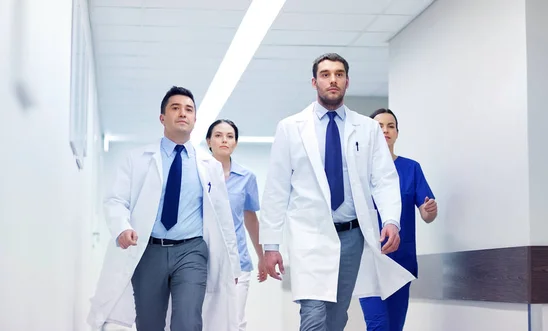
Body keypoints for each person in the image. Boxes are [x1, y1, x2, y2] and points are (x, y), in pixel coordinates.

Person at [259, 53, 415, 331]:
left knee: (336, 316)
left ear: (347, 81)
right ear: (314, 81)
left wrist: (391, 220)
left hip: (353, 236)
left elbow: (384, 179)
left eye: (339, 74)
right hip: (310, 233)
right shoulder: (291, 128)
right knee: (314, 313)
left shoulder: (367, 129)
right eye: (326, 74)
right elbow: (276, 189)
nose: (333, 79)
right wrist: (270, 246)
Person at [87, 86, 241, 331]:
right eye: (175, 108)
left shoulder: (208, 165)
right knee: (149, 323)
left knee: (188, 321)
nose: (183, 113)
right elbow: (115, 200)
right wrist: (122, 228)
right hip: (149, 250)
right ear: (162, 118)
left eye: (189, 109)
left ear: (194, 119)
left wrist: (232, 265)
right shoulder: (137, 159)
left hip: (192, 251)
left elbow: (223, 220)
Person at [359, 108, 438, 331]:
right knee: (378, 325)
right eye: (379, 126)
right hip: (370, 259)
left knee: (394, 326)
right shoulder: (359, 171)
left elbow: (426, 214)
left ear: (397, 133)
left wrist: (430, 210)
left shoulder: (411, 168)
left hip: (401, 260)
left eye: (390, 126)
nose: (385, 130)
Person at [205, 119, 268, 330]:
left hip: (238, 262)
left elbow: (250, 219)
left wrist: (262, 256)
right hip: (202, 260)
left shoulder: (246, 178)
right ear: (209, 141)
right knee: (205, 321)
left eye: (230, 136)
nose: (224, 140)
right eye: (218, 135)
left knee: (235, 322)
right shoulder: (198, 174)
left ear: (236, 143)